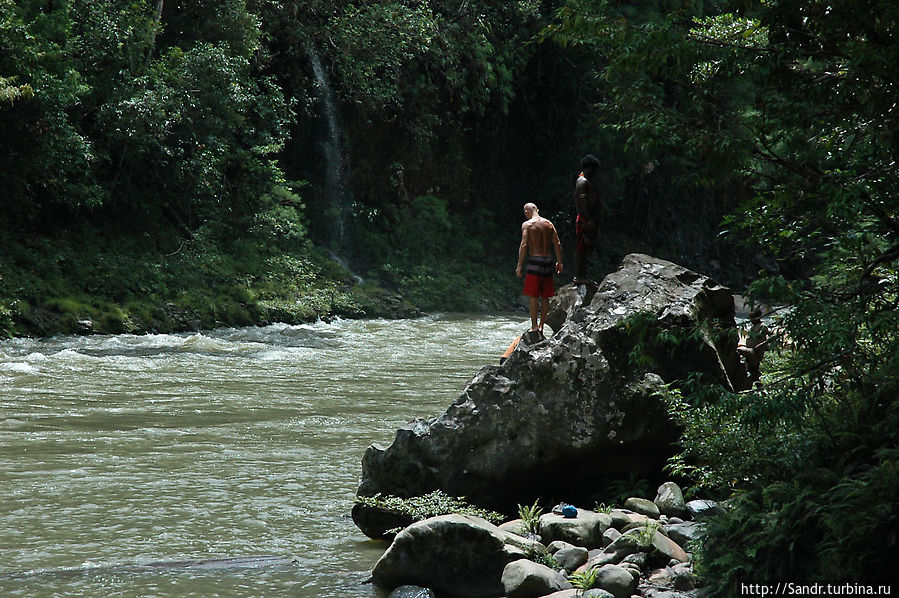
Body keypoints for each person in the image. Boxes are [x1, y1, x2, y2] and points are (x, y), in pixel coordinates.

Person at [516, 202, 563, 334]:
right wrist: (560, 262)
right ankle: (542, 325)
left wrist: (519, 265)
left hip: (535, 261)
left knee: (533, 295)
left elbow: (524, 244)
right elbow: (557, 243)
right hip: (548, 261)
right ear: (537, 209)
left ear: (526, 211)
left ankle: (534, 326)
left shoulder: (528, 225)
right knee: (545, 296)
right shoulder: (549, 224)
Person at [573, 154, 601, 284]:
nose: (595, 173)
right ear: (588, 168)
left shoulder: (583, 181)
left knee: (586, 247)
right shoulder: (582, 182)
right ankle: (579, 276)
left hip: (587, 219)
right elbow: (582, 202)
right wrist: (588, 220)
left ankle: (582, 275)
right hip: (585, 220)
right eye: (593, 170)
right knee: (581, 247)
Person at [738, 307, 769, 384]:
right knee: (753, 373)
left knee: (738, 350)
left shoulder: (762, 326)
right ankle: (757, 388)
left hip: (755, 352)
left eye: (752, 318)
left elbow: (763, 339)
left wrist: (756, 348)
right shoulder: (752, 327)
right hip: (751, 351)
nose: (751, 320)